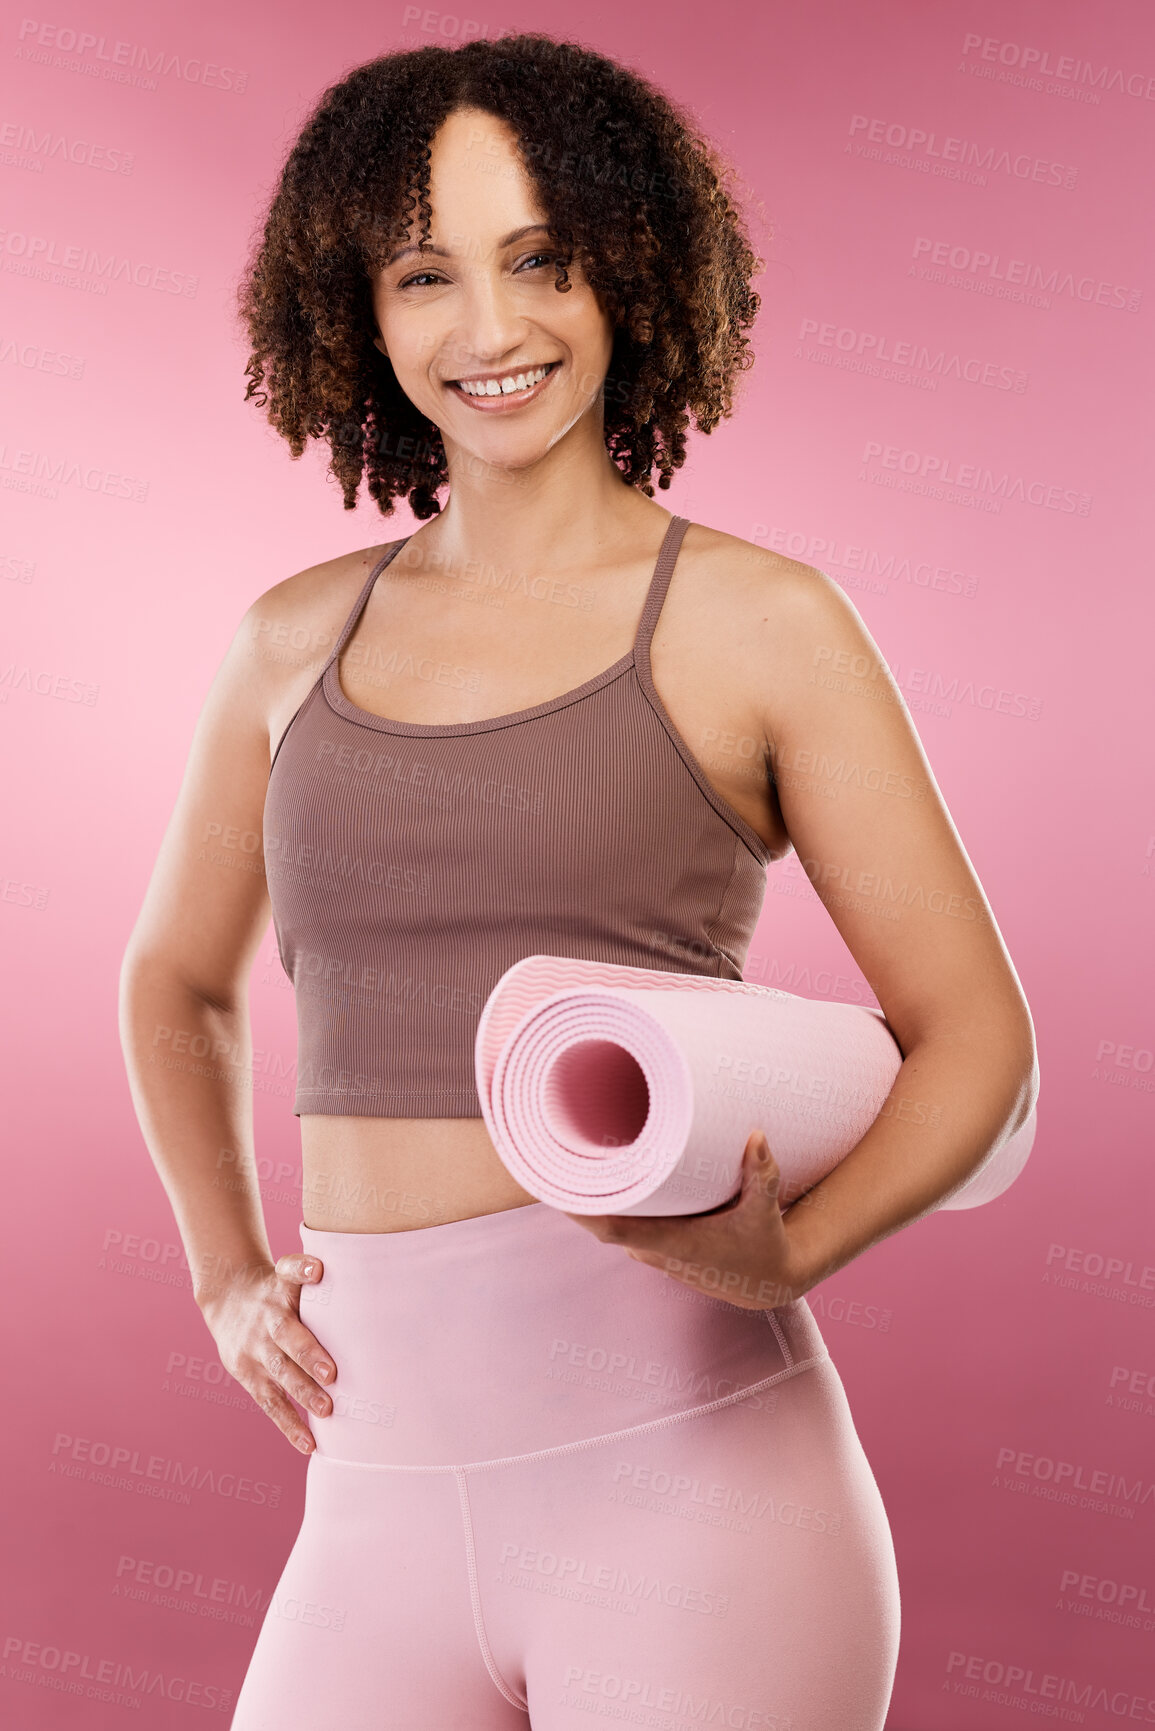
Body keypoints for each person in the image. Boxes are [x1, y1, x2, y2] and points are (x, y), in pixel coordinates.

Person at [119, 33, 1038, 1731]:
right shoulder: (287, 643)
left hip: (698, 1489)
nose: (492, 329)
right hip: (373, 1505)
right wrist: (224, 1269)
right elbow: (171, 979)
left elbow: (979, 1041)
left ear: (629, 264)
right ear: (358, 315)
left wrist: (794, 1254)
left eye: (540, 257)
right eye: (425, 274)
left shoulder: (765, 626)